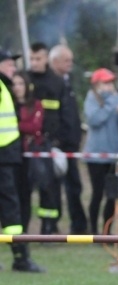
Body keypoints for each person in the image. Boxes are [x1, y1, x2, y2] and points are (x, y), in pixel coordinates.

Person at [0, 49, 44, 272]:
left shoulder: (4, 87)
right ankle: (20, 258)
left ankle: (21, 256)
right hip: (3, 157)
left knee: (11, 210)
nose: (13, 69)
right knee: (10, 210)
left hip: (7, 157)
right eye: (8, 64)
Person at [83, 68, 118, 235]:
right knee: (97, 193)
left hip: (114, 154)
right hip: (95, 156)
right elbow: (95, 120)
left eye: (111, 82)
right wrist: (111, 106)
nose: (109, 86)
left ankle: (106, 231)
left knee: (112, 194)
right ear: (96, 84)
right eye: (105, 82)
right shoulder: (91, 99)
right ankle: (93, 229)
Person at [27, 43, 65, 234]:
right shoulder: (24, 80)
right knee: (25, 186)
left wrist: (60, 140)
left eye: (38, 59)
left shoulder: (57, 83)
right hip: (26, 143)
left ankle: (48, 226)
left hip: (48, 142)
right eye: (31, 59)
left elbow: (65, 114)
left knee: (49, 186)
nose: (34, 63)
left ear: (46, 58)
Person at [49, 44, 86, 235]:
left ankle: (78, 225)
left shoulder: (67, 82)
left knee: (75, 186)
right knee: (53, 187)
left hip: (71, 145)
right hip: (57, 145)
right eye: (66, 60)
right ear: (54, 62)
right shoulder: (51, 84)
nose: (70, 64)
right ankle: (51, 224)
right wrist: (57, 140)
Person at [11, 71, 44, 232]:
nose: (17, 88)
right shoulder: (9, 104)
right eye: (14, 84)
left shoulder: (35, 104)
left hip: (28, 156)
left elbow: (35, 127)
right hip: (10, 155)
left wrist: (17, 125)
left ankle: (24, 230)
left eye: (20, 83)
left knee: (26, 194)